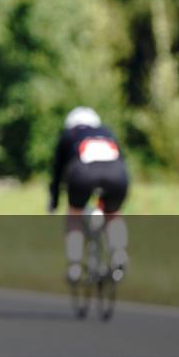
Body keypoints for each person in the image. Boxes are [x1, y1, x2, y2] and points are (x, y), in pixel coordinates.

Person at [48, 106, 129, 283]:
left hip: (82, 174)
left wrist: (53, 202)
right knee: (113, 214)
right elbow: (121, 159)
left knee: (74, 216)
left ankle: (75, 266)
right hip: (117, 174)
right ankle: (118, 254)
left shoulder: (68, 135)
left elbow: (57, 172)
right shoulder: (107, 132)